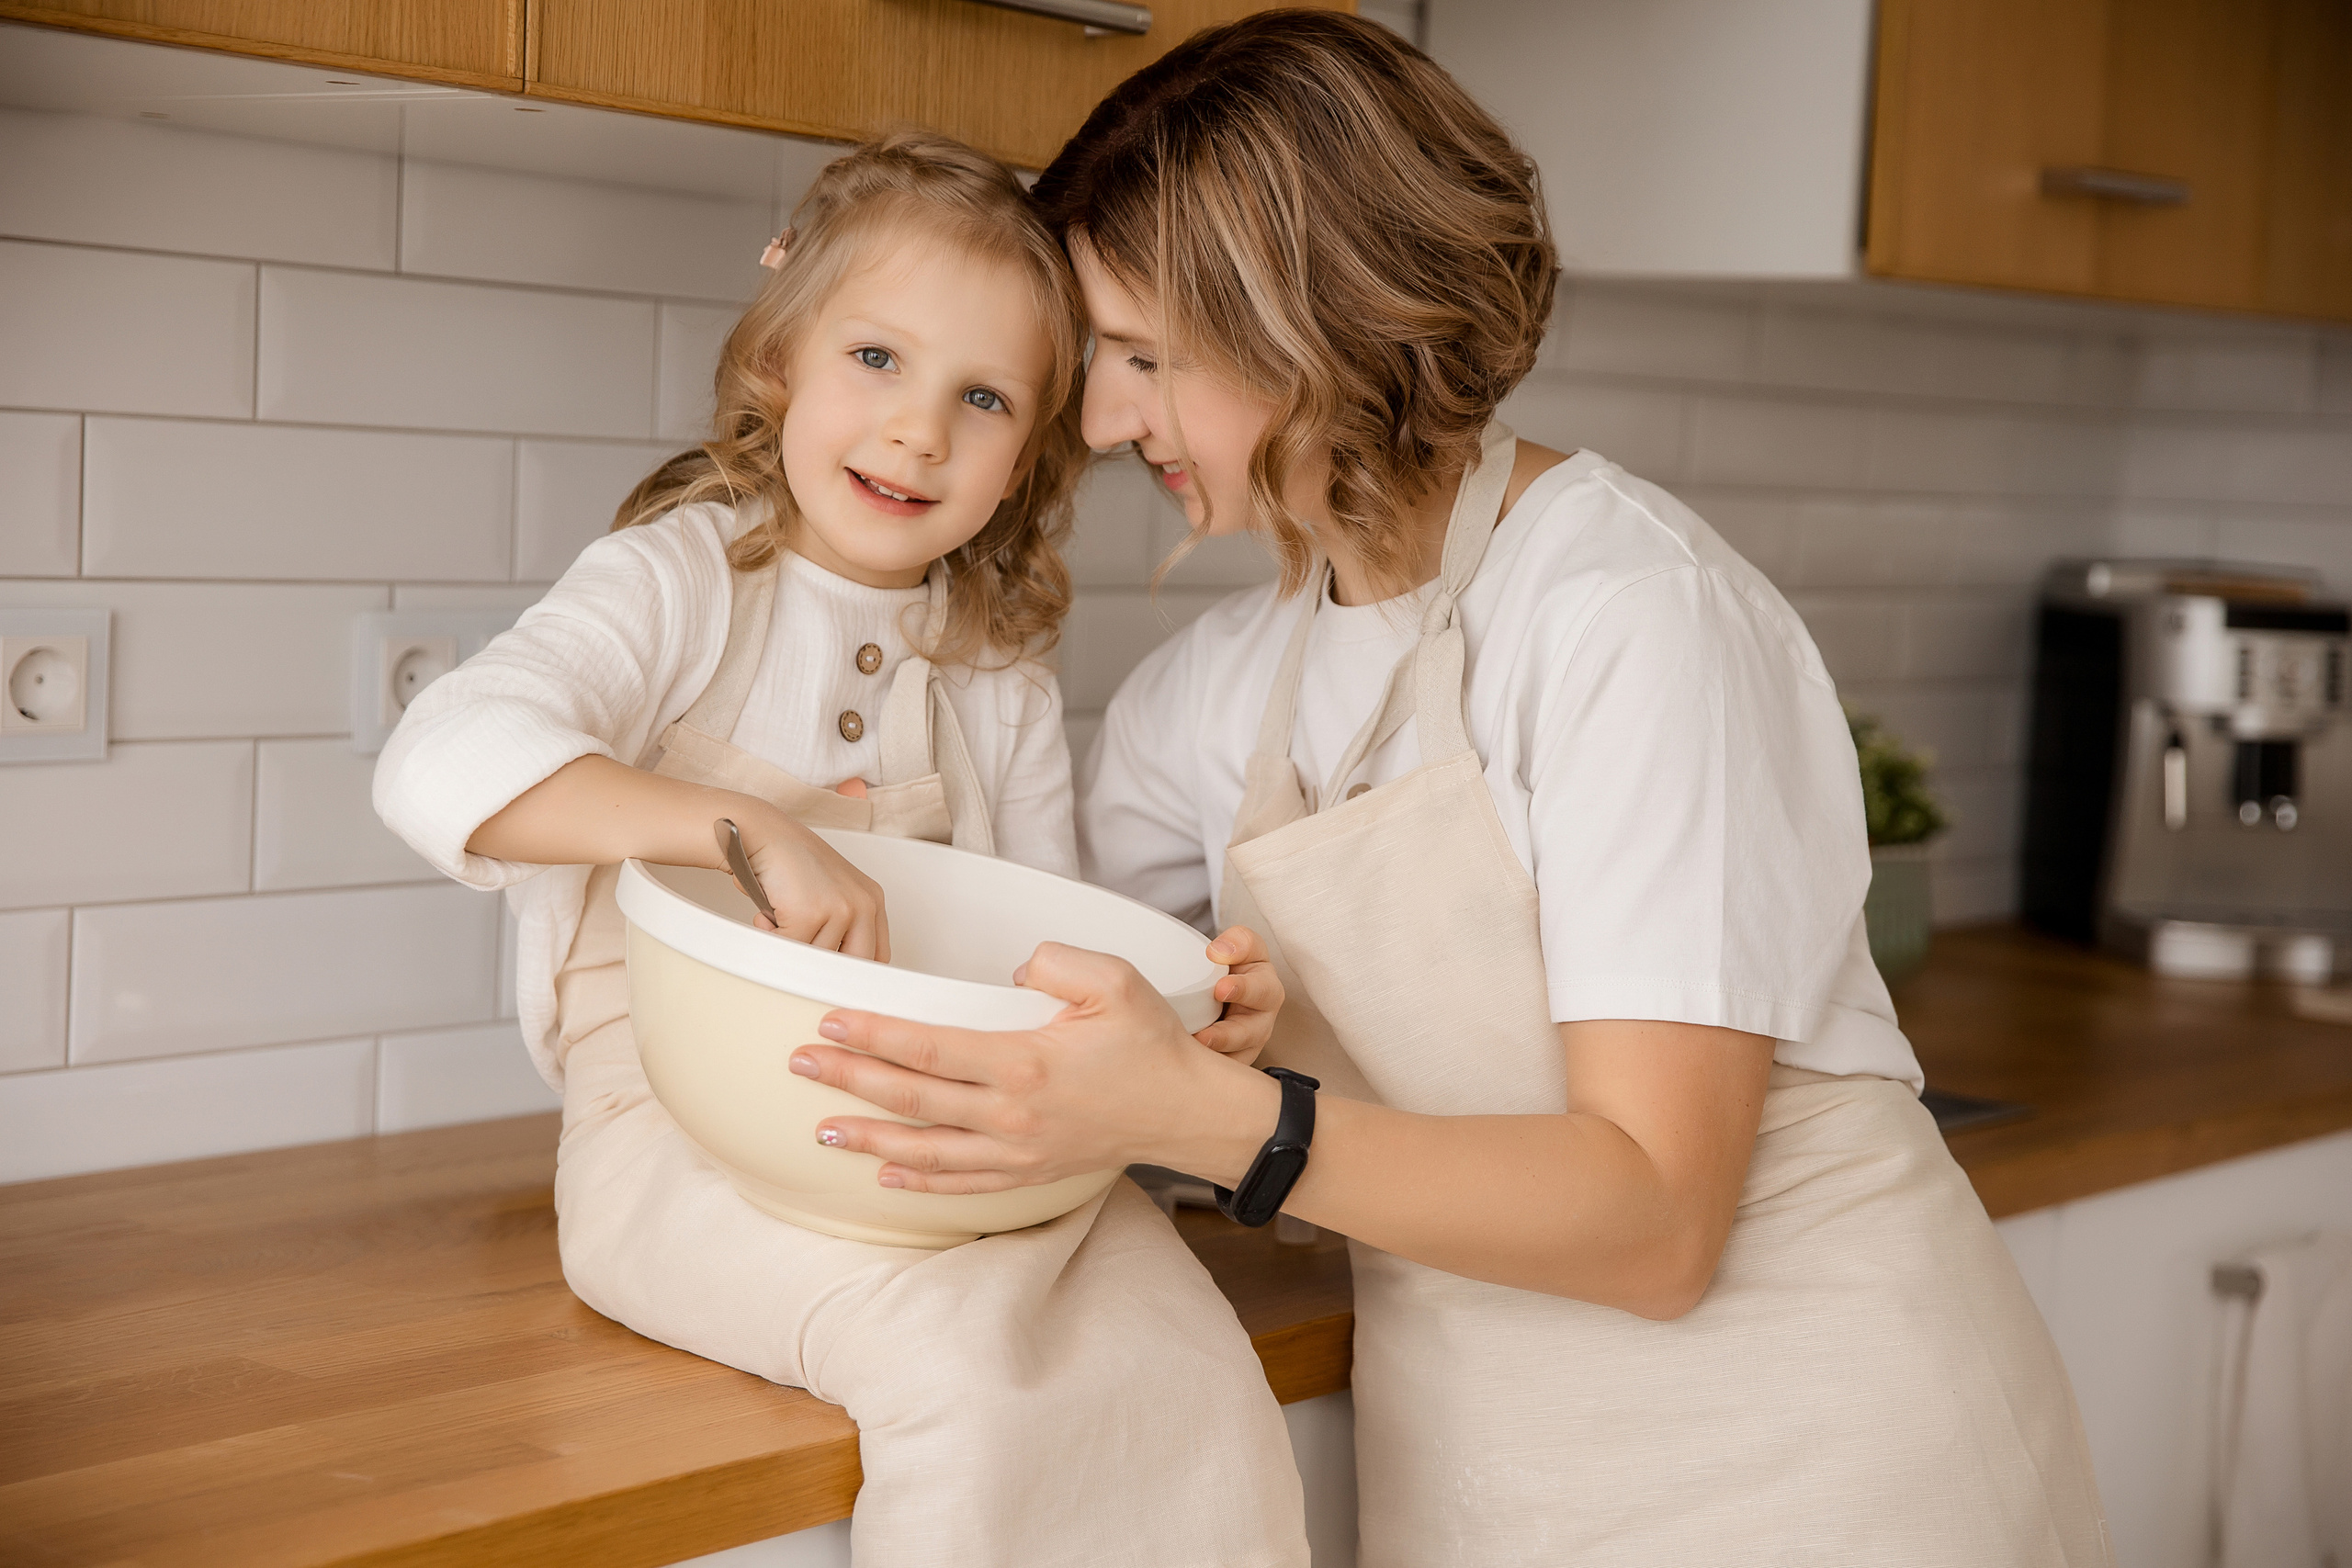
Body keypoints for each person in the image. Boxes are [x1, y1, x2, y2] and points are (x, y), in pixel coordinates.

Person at [784, 16, 2116, 1565]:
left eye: (1147, 359)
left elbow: (1656, 1217)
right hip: (1490, 1474)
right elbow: (1066, 1026)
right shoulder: (1210, 697)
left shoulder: (1627, 613)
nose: (1105, 418)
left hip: (1830, 1471)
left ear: (1311, 323)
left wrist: (1214, 1111)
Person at [373, 130, 1308, 1568]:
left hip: (961, 1140)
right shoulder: (682, 578)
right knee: (957, 1364)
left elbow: (1046, 947)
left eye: (982, 397)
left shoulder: (993, 662)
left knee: (1182, 1349)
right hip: (675, 1144)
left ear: (1035, 453)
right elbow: (440, 757)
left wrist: (1189, 1021)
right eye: (877, 359)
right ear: (782, 359)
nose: (918, 431)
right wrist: (736, 826)